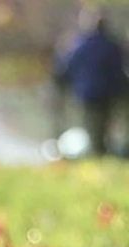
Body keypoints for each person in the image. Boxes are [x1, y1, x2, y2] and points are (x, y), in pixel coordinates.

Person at [54, 9, 129, 156]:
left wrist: (62, 85)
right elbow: (120, 68)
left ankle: (98, 152)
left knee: (93, 124)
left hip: (88, 92)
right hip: (109, 91)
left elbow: (67, 67)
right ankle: (106, 151)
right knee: (106, 122)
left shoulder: (79, 46)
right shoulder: (113, 45)